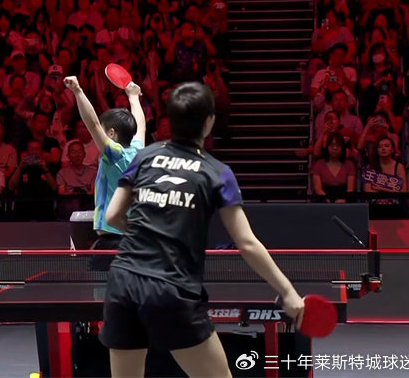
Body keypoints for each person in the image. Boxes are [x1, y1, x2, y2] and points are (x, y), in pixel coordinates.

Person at [101, 82, 304, 377]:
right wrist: (288, 292)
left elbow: (113, 215)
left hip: (123, 283)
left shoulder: (144, 157)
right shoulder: (217, 172)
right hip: (171, 288)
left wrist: (145, 232)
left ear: (169, 120)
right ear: (209, 122)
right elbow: (246, 242)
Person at [63, 75, 145, 249]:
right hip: (133, 238)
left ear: (112, 133)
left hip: (113, 240)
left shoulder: (115, 155)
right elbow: (140, 125)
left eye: (104, 128)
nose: (100, 131)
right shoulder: (138, 150)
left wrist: (78, 91)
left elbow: (92, 124)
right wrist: (134, 97)